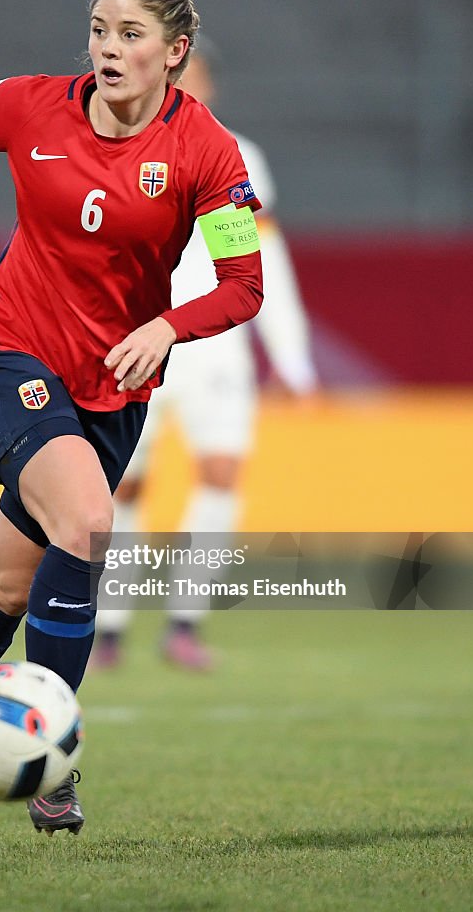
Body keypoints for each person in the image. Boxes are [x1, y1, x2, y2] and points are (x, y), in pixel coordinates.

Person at [0, 0, 264, 838]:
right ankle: (56, 758)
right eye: (100, 29)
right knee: (87, 521)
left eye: (131, 36)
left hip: (113, 390)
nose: (109, 49)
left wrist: (171, 327)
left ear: (175, 54)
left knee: (6, 583)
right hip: (9, 354)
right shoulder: (33, 105)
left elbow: (242, 285)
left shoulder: (207, 153)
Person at [94, 45, 319, 671]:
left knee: (220, 473)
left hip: (214, 345)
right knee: (124, 485)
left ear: (210, 84)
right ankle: (108, 628)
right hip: (133, 341)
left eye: (195, 77)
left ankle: (183, 622)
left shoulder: (235, 156)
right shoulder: (115, 145)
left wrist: (292, 358)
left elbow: (257, 258)